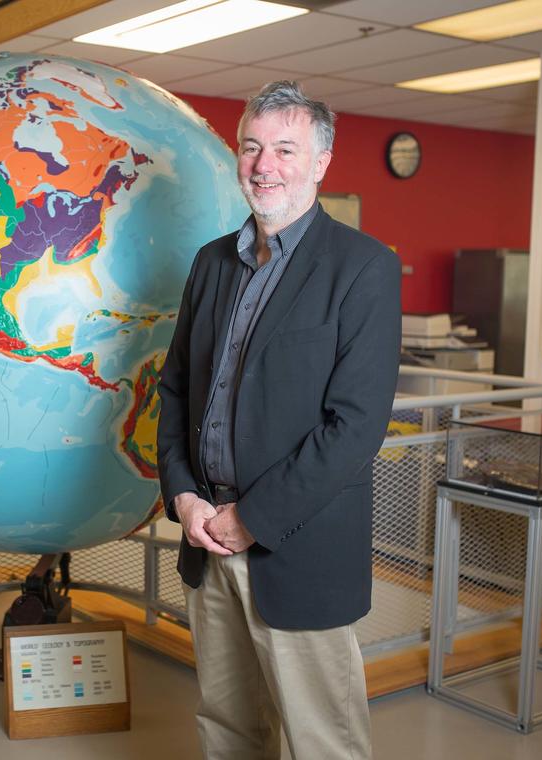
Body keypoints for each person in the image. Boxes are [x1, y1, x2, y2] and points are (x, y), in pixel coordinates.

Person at [157, 81, 401, 759]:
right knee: (227, 726)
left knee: (320, 739)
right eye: (253, 146)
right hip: (205, 539)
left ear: (321, 162)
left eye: (285, 148)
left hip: (295, 549)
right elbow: (176, 388)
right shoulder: (211, 264)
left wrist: (251, 519)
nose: (265, 164)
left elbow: (355, 427)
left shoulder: (363, 268)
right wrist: (182, 494)